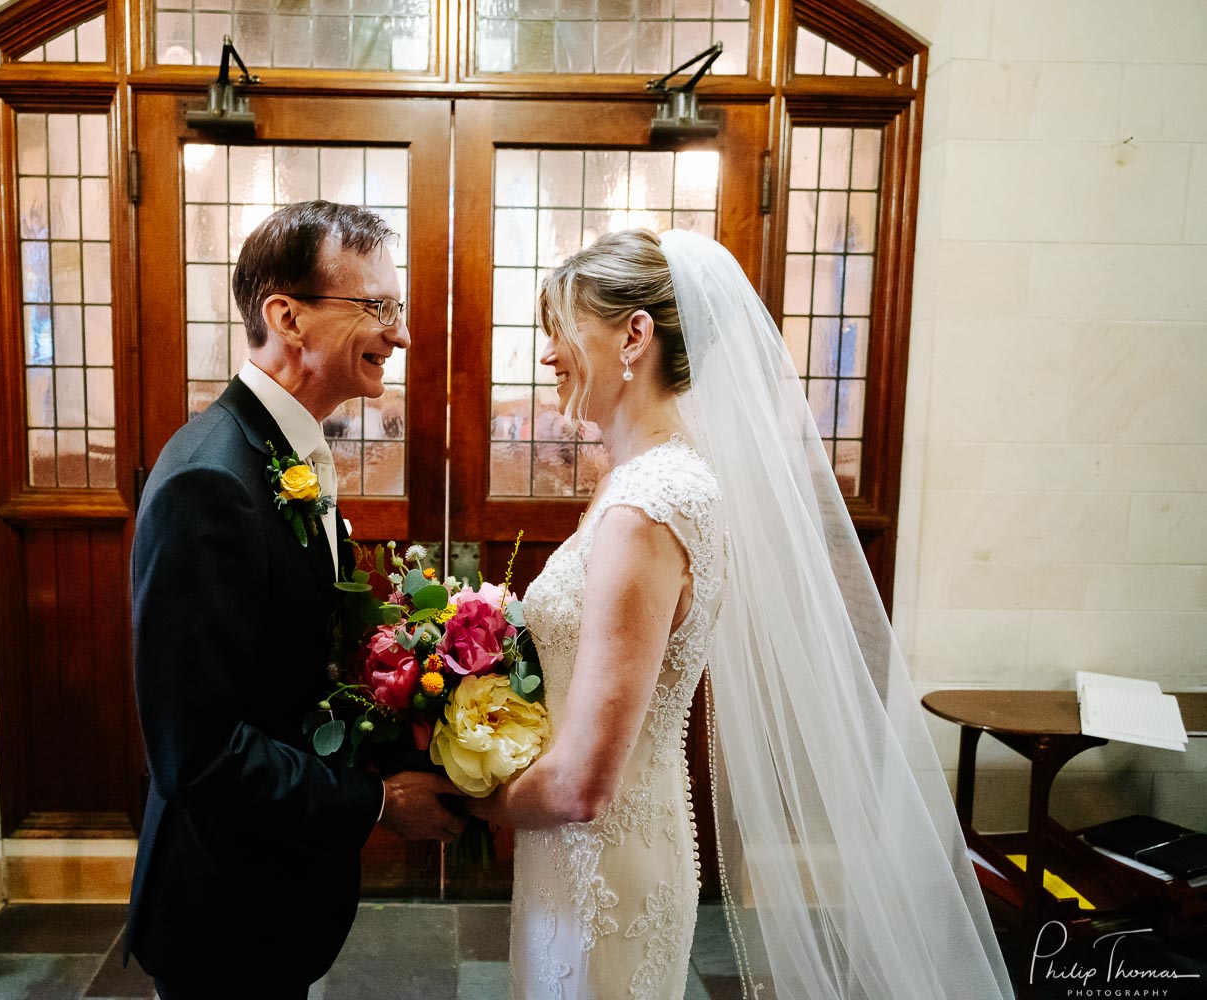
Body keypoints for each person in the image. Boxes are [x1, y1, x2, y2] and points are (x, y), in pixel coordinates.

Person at [471, 229, 1015, 1000]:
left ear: (634, 334)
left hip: (602, 860)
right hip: (594, 848)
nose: (549, 354)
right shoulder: (653, 478)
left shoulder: (646, 509)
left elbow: (585, 784)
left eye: (561, 329)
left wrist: (465, 801)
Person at [125, 201, 465, 1000]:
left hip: (269, 900)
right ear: (288, 316)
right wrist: (376, 801)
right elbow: (198, 756)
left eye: (398, 309)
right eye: (378, 307)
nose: (402, 333)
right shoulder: (212, 479)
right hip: (223, 916)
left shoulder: (286, 450)